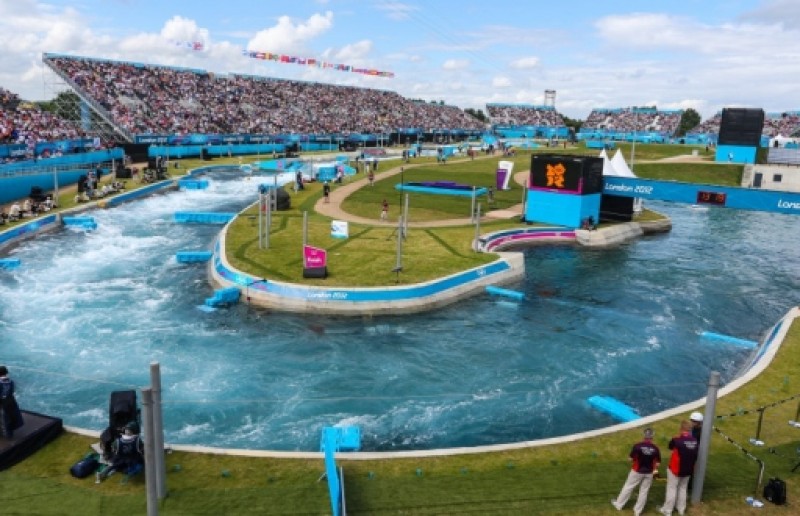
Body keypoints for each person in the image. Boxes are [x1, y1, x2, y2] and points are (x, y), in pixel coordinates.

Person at [611, 427, 661, 516]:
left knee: (628, 487)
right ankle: (638, 511)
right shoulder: (656, 449)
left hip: (637, 471)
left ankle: (619, 504)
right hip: (649, 472)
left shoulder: (637, 446)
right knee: (644, 491)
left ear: (644, 435)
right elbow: (657, 464)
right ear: (652, 437)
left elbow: (630, 458)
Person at [658, 420, 698, 516]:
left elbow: (670, 447)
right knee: (683, 489)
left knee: (672, 489)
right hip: (689, 469)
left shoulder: (676, 440)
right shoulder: (694, 441)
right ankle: (681, 509)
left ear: (681, 428)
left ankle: (667, 510)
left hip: (675, 469)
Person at [0, 365, 24, 439]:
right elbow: (12, 391)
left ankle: (6, 434)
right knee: (9, 417)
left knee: (3, 418)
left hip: (1, 403)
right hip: (10, 402)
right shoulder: (11, 381)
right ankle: (9, 433)